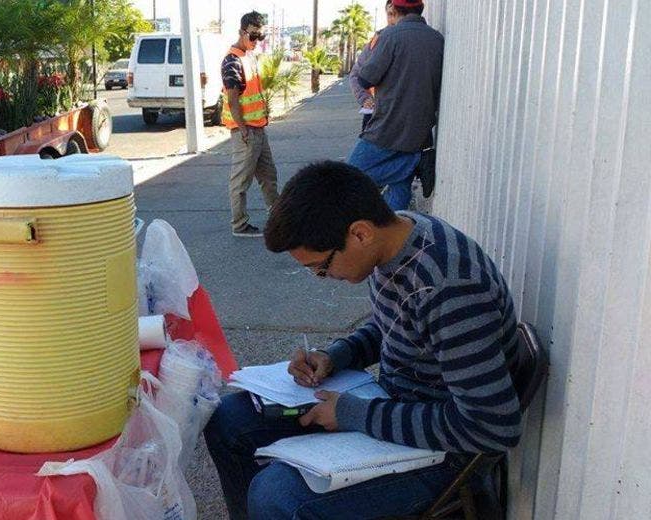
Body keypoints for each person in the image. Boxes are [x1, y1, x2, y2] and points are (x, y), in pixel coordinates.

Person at [203, 161, 524, 520]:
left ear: (359, 234)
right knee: (228, 419)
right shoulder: (396, 235)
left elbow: (492, 427)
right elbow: (400, 326)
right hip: (395, 404)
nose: (322, 278)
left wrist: (354, 414)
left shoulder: (450, 288)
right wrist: (337, 355)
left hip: (446, 450)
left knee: (276, 494)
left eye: (321, 266)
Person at [348, 0, 443, 210]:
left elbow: (365, 78)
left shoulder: (390, 36)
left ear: (393, 9)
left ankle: (413, 163)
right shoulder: (436, 39)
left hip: (388, 127)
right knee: (400, 190)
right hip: (420, 132)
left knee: (350, 177)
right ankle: (392, 239)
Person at [221, 11, 279, 238]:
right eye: (253, 36)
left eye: (260, 36)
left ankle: (277, 217)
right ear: (241, 32)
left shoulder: (248, 56)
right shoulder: (232, 60)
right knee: (240, 181)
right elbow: (233, 99)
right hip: (246, 131)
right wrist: (243, 129)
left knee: (268, 176)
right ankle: (240, 224)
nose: (256, 41)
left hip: (258, 128)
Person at [349, 1, 400, 132]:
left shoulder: (412, 40)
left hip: (400, 114)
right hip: (374, 112)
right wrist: (364, 98)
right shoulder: (377, 39)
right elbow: (355, 74)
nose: (393, 20)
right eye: (390, 14)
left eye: (396, 14)